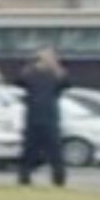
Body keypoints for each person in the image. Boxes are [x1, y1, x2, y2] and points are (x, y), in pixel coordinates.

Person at [16, 46, 70, 188]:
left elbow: (66, 84)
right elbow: (19, 81)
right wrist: (32, 66)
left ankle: (59, 179)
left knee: (55, 150)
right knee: (29, 149)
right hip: (33, 116)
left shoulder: (56, 74)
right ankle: (24, 177)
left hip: (51, 116)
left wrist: (57, 68)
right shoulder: (30, 73)